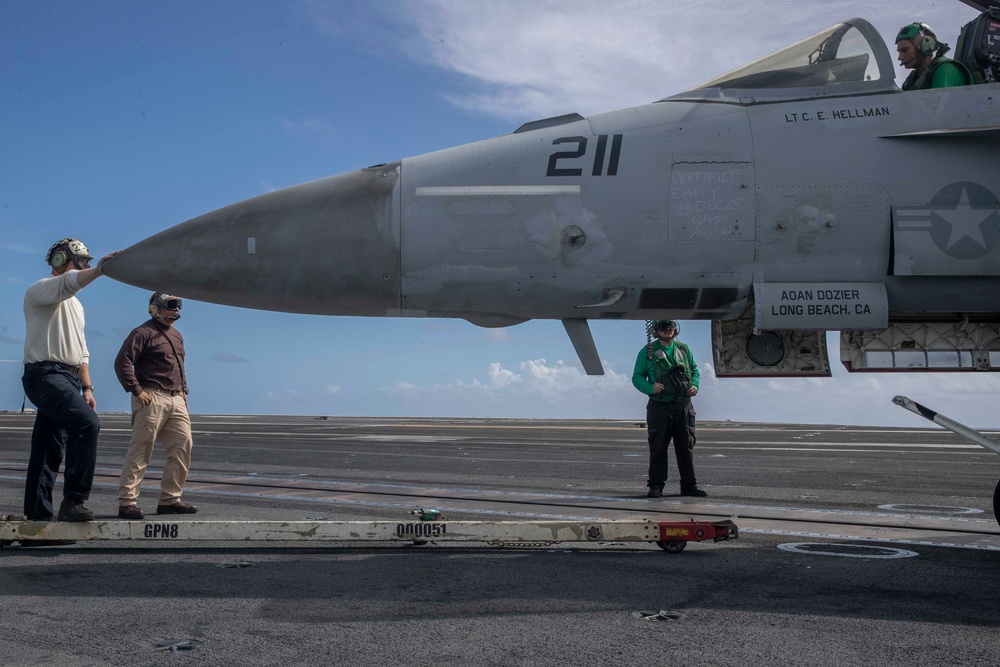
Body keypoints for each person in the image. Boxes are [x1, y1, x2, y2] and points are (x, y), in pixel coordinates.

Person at [22, 238, 119, 522]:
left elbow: (82, 351)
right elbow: (68, 283)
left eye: (88, 262)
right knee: (86, 424)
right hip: (44, 375)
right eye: (82, 261)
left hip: (67, 378)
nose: (84, 266)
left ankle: (37, 519)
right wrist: (100, 271)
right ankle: (74, 502)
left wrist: (87, 387)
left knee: (46, 450)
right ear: (60, 260)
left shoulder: (76, 306)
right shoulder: (39, 290)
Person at [114, 292, 197, 519]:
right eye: (172, 305)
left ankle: (170, 500)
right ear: (156, 308)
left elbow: (179, 365)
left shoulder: (177, 335)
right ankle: (127, 502)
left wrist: (183, 392)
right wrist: (137, 390)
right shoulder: (143, 333)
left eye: (179, 305)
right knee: (141, 449)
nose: (177, 310)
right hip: (151, 396)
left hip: (176, 398)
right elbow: (123, 361)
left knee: (183, 446)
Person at [631, 320, 706, 498]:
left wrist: (694, 385)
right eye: (664, 327)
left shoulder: (684, 349)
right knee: (658, 447)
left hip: (683, 405)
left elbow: (695, 370)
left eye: (670, 326)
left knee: (685, 447)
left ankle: (689, 486)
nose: (668, 330)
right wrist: (650, 388)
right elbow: (637, 377)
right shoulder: (647, 351)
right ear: (656, 330)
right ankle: (656, 486)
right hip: (660, 406)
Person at [896, 22, 973, 91]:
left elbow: (939, 104)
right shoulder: (911, 80)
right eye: (899, 52)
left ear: (925, 46)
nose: (900, 57)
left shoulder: (946, 69)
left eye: (905, 50)